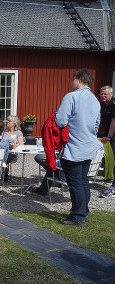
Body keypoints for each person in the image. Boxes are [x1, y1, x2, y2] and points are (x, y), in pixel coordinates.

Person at [55, 68, 102, 226]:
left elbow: (60, 120)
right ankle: (83, 211)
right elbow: (96, 124)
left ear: (79, 79)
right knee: (83, 181)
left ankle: (78, 216)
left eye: (73, 79)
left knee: (75, 183)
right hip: (89, 146)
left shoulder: (71, 97)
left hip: (74, 146)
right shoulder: (95, 100)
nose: (71, 82)